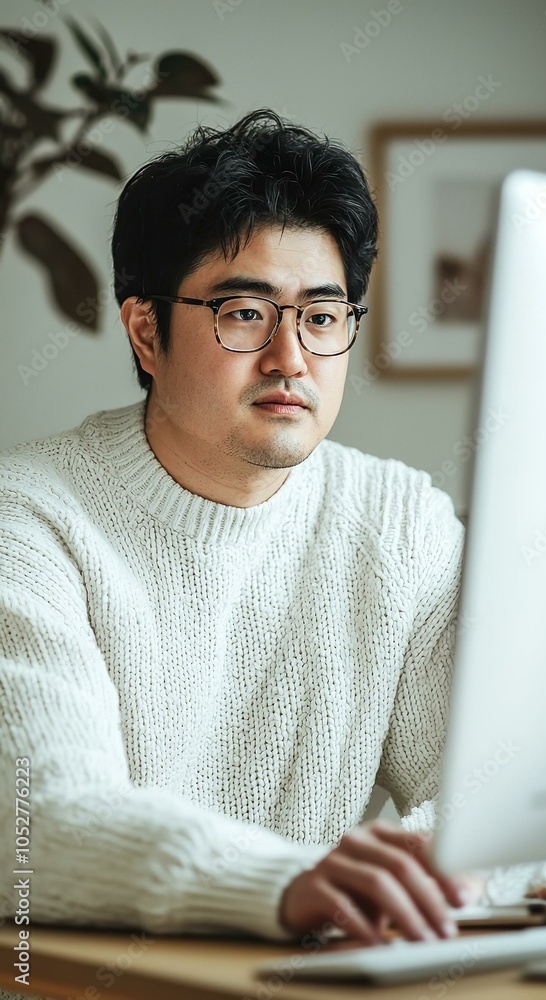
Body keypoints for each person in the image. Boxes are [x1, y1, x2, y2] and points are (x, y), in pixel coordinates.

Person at [0, 110, 488, 957]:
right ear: (146, 331)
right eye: (244, 313)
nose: (291, 358)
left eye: (322, 316)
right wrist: (283, 885)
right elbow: (40, 825)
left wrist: (431, 871)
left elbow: (486, 791)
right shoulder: (27, 521)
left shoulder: (399, 525)